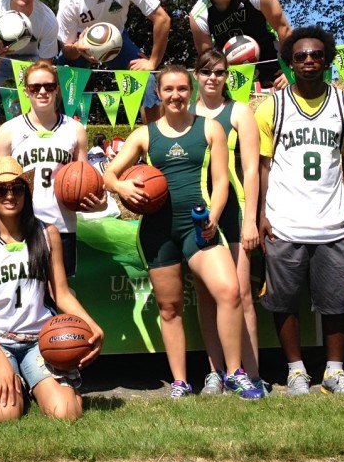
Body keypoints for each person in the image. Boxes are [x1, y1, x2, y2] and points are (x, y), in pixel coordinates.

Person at [104, 64, 263, 400]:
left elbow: (221, 182)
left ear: (190, 92)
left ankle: (235, 373)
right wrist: (121, 186)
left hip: (199, 226)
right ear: (159, 94)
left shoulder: (208, 129)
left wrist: (213, 217)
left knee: (229, 291)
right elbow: (107, 172)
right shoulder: (145, 134)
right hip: (157, 232)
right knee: (169, 307)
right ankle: (180, 382)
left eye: (181, 89)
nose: (175, 96)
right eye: (168, 90)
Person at [256, 26, 344, 395]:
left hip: (332, 220)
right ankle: (296, 370)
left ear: (328, 59)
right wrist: (261, 214)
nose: (308, 61)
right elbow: (263, 165)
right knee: (283, 301)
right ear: (289, 62)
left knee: (338, 301)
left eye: (316, 55)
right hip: (285, 222)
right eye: (301, 56)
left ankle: (335, 371)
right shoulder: (273, 106)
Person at [0, 157, 104, 421]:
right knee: (5, 414)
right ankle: (20, 381)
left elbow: (61, 293)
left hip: (40, 339)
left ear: (26, 192)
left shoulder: (47, 234)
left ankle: (42, 383)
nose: (10, 195)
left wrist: (92, 324)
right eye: (1, 189)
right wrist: (1, 362)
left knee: (67, 413)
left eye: (17, 188)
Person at [192, 48, 264, 395]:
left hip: (233, 212)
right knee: (207, 295)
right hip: (198, 213)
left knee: (241, 294)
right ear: (196, 75)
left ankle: (251, 372)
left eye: (219, 72)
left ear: (227, 77)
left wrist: (250, 219)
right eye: (206, 72)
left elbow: (251, 169)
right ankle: (215, 371)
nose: (212, 78)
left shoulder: (239, 112)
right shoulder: (185, 112)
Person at [0, 60, 106, 276]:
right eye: (35, 87)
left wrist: (96, 204)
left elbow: (85, 180)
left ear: (57, 89)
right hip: (20, 227)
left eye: (49, 86)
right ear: (26, 91)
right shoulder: (8, 130)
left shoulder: (75, 129)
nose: (42, 91)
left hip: (62, 225)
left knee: (60, 297)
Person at [57, 0, 170, 121]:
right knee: (58, 85)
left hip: (117, 39)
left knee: (147, 81)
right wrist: (78, 48)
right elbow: (67, 50)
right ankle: (57, 141)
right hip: (80, 43)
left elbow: (162, 19)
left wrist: (152, 62)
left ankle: (153, 144)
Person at [188, 0, 293, 89]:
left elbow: (284, 28)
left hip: (271, 56)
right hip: (233, 73)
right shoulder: (198, 15)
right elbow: (208, 59)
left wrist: (290, 69)